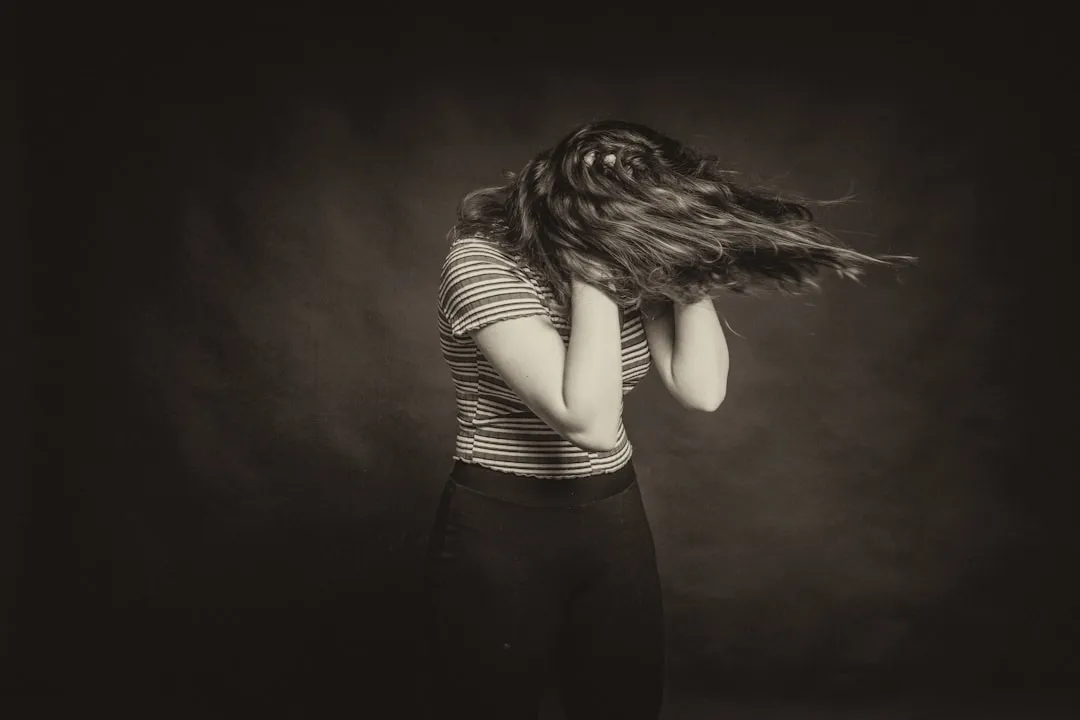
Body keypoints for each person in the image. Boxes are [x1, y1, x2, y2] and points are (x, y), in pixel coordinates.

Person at [422, 120, 912, 719]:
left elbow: (700, 389)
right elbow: (591, 423)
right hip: (500, 530)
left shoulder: (627, 249)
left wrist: (686, 266)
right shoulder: (481, 264)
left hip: (611, 519)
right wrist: (592, 269)